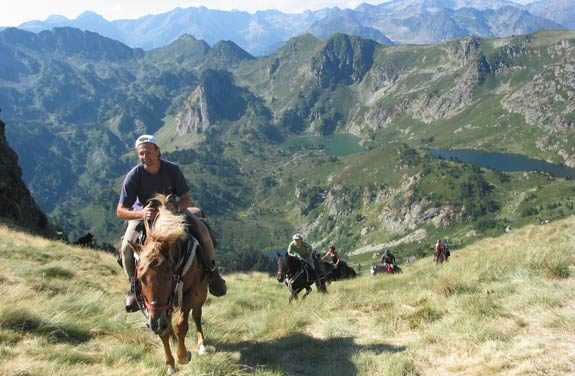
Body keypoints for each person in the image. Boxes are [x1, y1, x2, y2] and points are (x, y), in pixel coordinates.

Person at [117, 134, 226, 312]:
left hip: (171, 213)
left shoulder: (172, 170)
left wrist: (176, 207)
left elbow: (186, 199)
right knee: (126, 249)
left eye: (148, 152)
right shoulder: (134, 175)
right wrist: (141, 213)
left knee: (202, 231)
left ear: (157, 151)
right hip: (143, 215)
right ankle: (134, 286)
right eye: (141, 154)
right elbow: (120, 210)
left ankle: (212, 272)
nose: (145, 157)